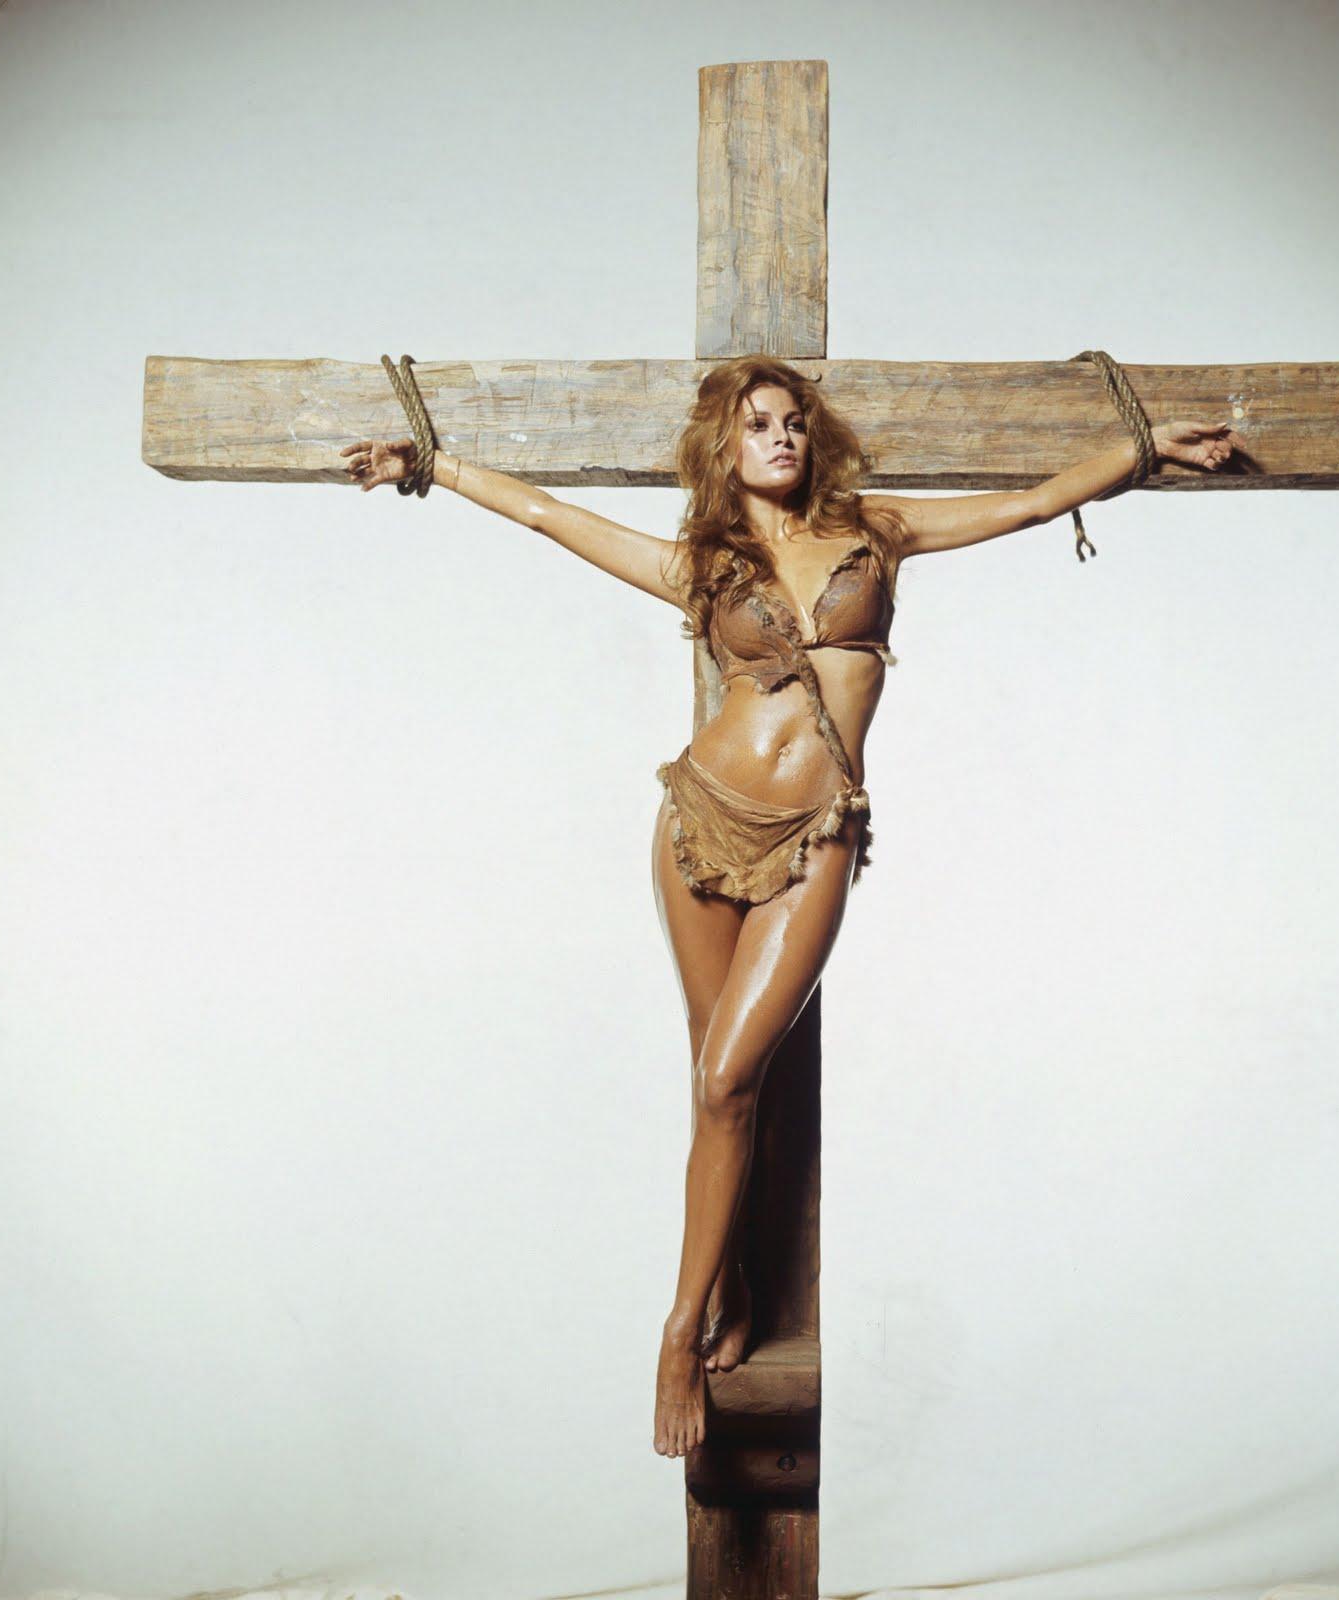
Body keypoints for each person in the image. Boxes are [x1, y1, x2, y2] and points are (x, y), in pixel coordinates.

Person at [341, 354, 1242, 1459]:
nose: (781, 437)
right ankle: (725, 1296)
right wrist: (427, 465)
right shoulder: (702, 562)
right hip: (698, 820)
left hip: (816, 831)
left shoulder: (877, 533)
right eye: (758, 423)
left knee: (730, 1077)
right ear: (725, 446)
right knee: (715, 1084)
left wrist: (1141, 450)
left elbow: (1028, 502)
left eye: (794, 422)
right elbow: (547, 515)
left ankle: (676, 1331)